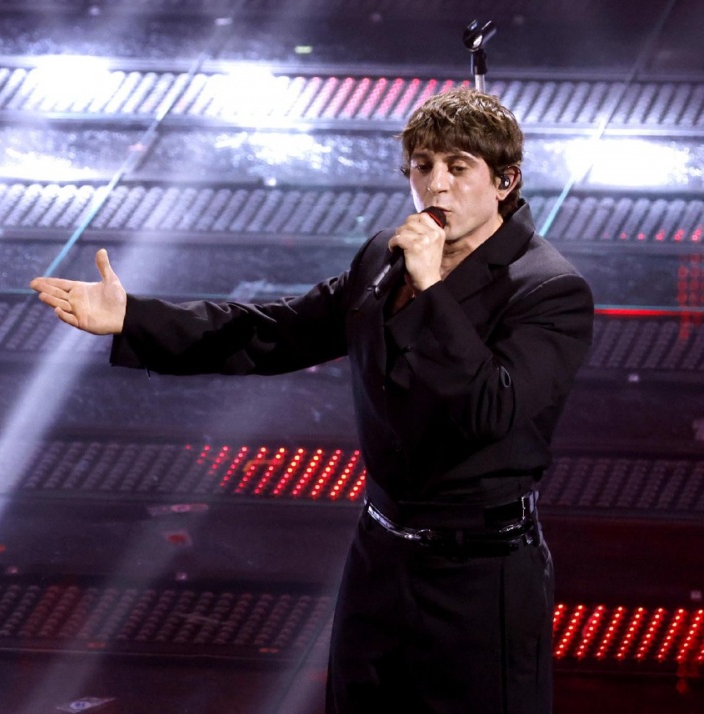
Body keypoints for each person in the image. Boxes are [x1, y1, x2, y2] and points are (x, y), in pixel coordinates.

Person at [30, 87, 593, 713]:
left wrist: (431, 286)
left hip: (481, 575)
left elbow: (490, 408)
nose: (436, 186)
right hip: (381, 557)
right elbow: (275, 332)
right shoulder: (385, 257)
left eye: (459, 168)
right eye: (422, 166)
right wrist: (133, 318)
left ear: (505, 181)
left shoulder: (549, 290)